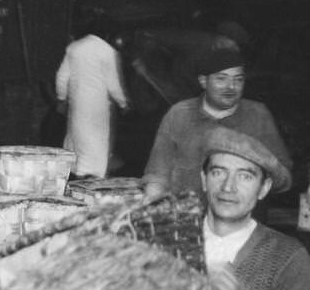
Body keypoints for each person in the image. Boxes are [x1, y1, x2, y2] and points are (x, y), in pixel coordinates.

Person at [201, 127, 310, 290]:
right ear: (204, 180)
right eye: (218, 172)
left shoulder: (287, 256)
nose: (228, 187)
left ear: (263, 188)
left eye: (245, 176)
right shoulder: (166, 243)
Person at [143, 46, 291, 199]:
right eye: (221, 78)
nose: (231, 87)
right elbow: (157, 172)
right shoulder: (179, 114)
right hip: (187, 213)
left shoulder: (258, 114)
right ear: (203, 81)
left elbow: (283, 178)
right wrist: (153, 202)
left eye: (238, 80)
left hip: (241, 214)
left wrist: (249, 158)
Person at [54, 14, 130, 178]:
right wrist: (123, 103)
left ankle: (77, 174)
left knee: (77, 140)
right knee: (97, 145)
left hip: (77, 105)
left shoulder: (74, 48)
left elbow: (61, 77)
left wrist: (61, 98)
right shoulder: (108, 52)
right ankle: (95, 179)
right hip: (98, 107)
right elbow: (113, 85)